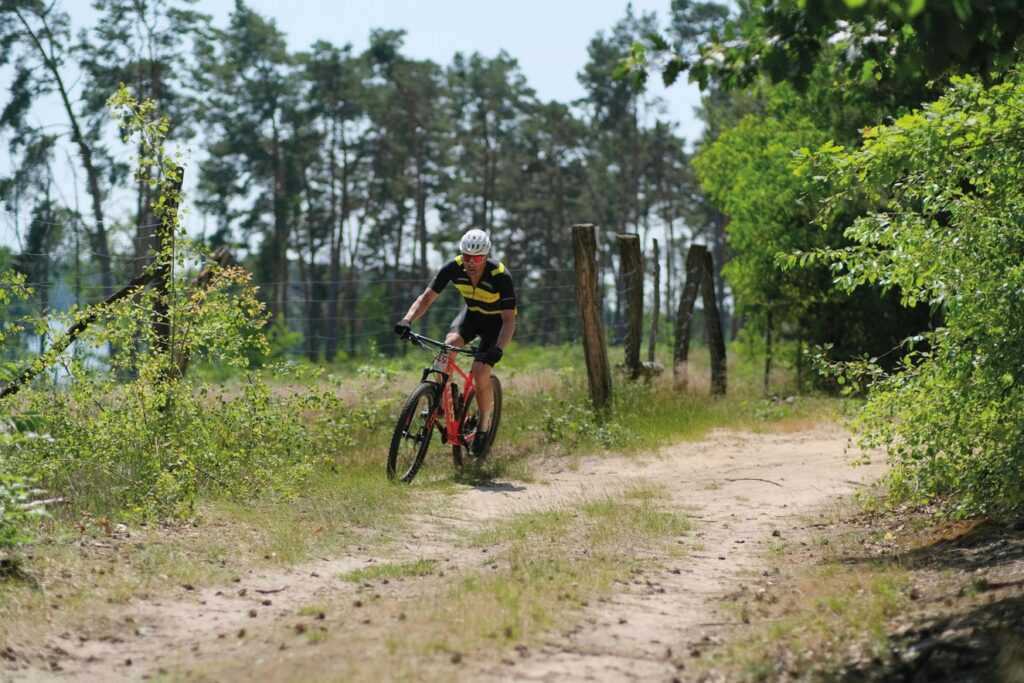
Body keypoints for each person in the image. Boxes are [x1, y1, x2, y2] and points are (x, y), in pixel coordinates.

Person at [394, 228, 516, 456]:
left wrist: (498, 349)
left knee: (480, 373)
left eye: (477, 258)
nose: (471, 263)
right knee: (446, 347)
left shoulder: (500, 276)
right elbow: (426, 298)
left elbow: (509, 320)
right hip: (471, 316)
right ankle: (442, 399)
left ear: (486, 256)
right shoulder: (453, 267)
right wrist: (407, 319)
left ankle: (482, 427)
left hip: (495, 325)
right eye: (467, 257)